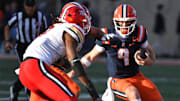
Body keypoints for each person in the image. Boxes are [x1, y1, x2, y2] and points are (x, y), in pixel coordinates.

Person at [68, 4, 164, 101]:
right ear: (115, 22)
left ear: (134, 21)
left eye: (128, 22)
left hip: (137, 77)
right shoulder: (107, 35)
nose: (124, 25)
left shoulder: (139, 33)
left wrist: (148, 61)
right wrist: (72, 73)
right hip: (117, 79)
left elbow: (152, 56)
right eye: (120, 22)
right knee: (133, 93)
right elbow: (90, 57)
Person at [19, 2, 105, 101]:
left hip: (27, 70)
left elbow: (95, 32)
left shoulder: (59, 29)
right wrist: (92, 91)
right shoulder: (71, 29)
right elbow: (74, 61)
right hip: (36, 67)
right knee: (69, 97)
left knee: (73, 89)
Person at [4, 0, 47, 100]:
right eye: (28, 6)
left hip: (35, 47)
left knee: (34, 71)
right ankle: (28, 95)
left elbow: (46, 31)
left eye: (31, 6)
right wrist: (7, 41)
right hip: (22, 47)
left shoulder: (40, 16)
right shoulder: (19, 16)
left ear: (35, 6)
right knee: (27, 71)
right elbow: (7, 27)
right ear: (25, 6)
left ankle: (16, 87)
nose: (30, 9)